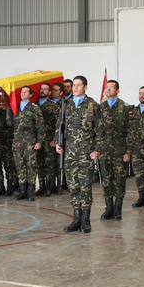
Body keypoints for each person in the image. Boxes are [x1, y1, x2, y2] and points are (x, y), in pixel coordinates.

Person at [55, 76, 101, 233]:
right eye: (73, 85)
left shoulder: (92, 105)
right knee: (73, 187)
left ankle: (86, 221)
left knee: (85, 187)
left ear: (85, 87)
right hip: (69, 154)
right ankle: (76, 219)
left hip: (86, 154)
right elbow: (59, 126)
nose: (74, 88)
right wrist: (58, 143)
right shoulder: (66, 104)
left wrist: (97, 149)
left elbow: (100, 131)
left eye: (78, 85)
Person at [96, 80, 129, 220]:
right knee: (106, 180)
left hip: (119, 151)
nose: (108, 90)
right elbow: (96, 131)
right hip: (104, 151)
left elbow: (130, 131)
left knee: (120, 180)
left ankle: (118, 209)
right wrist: (96, 149)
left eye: (111, 88)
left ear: (117, 90)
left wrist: (128, 152)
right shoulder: (100, 107)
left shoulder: (125, 108)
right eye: (106, 87)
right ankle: (108, 208)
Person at [12, 86, 44, 201]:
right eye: (22, 91)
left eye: (26, 92)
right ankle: (22, 190)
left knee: (31, 165)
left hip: (30, 141)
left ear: (30, 95)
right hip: (17, 142)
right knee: (20, 165)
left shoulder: (34, 108)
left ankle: (31, 191)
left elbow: (40, 126)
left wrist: (39, 141)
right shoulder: (15, 107)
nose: (23, 93)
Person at [37, 83, 60, 197]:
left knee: (49, 164)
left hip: (49, 139)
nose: (42, 91)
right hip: (37, 140)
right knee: (39, 163)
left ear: (49, 92)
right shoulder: (34, 105)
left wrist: (55, 139)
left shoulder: (53, 106)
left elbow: (58, 124)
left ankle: (48, 187)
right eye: (41, 89)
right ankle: (41, 186)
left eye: (45, 89)